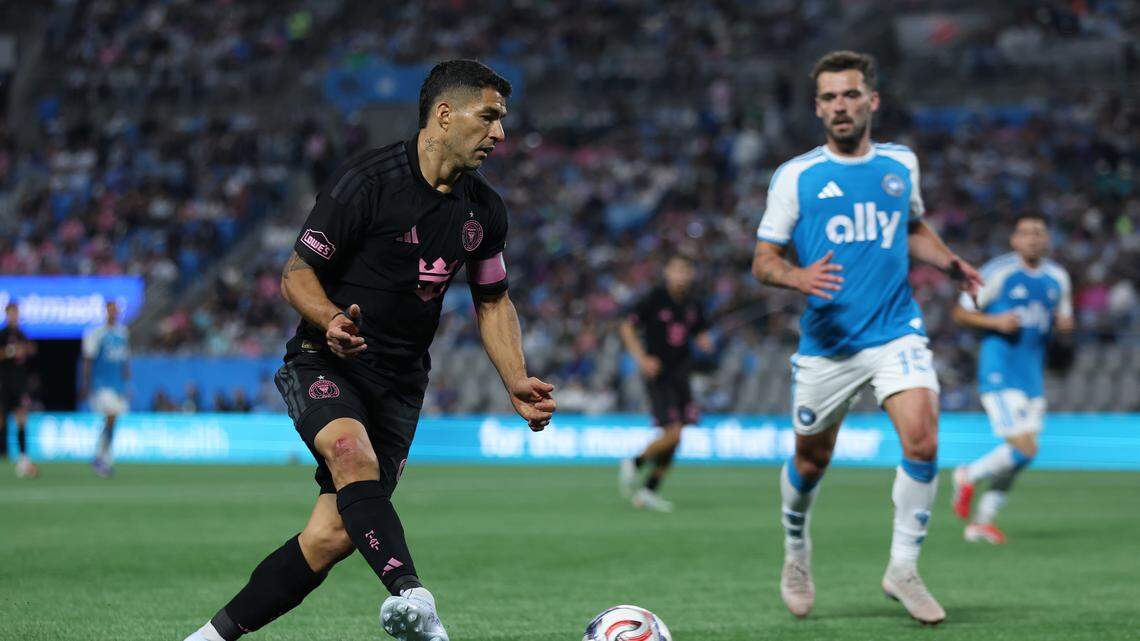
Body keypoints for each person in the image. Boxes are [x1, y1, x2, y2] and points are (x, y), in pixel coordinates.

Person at [183, 60, 556, 641]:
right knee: (351, 454)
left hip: (402, 383)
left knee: (329, 538)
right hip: (327, 360)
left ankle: (207, 639)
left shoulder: (485, 211)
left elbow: (492, 300)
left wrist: (515, 378)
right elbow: (296, 274)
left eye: (501, 121)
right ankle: (416, 601)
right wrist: (331, 318)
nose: (500, 135)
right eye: (489, 118)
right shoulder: (367, 181)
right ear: (444, 113)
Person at [751, 50, 983, 624]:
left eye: (850, 94)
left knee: (924, 441)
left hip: (894, 330)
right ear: (817, 108)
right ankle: (797, 547)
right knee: (810, 462)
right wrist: (796, 276)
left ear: (872, 100)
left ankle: (903, 567)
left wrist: (951, 264)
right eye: (829, 98)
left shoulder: (900, 164)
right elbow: (762, 261)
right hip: (828, 344)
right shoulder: (797, 176)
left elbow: (911, 226)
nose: (840, 106)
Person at [950, 214, 1073, 544]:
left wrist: (1064, 327)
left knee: (1021, 457)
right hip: (999, 371)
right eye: (1026, 233)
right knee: (1025, 449)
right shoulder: (998, 271)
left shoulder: (1058, 277)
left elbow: (1064, 320)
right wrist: (995, 322)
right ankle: (967, 475)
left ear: (1047, 240)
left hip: (1032, 374)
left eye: (1040, 233)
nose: (1034, 238)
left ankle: (982, 522)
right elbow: (960, 312)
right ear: (1014, 240)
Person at [617, 254, 713, 512]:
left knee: (676, 438)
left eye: (686, 271)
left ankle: (648, 491)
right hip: (659, 375)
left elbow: (698, 331)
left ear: (691, 274)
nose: (681, 276)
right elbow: (626, 327)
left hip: (682, 376)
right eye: (676, 270)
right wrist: (642, 358)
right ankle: (634, 461)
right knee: (674, 432)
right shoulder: (654, 298)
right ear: (667, 272)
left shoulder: (695, 304)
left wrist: (704, 340)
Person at [81, 300, 131, 478]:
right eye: (110, 310)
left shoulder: (123, 333)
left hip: (117, 384)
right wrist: (86, 384)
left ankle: (101, 455)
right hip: (101, 383)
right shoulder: (96, 334)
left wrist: (127, 381)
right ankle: (102, 457)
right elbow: (88, 359)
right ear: (105, 312)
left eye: (115, 310)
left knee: (113, 420)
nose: (113, 313)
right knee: (110, 416)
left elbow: (124, 359)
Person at [0, 301, 37, 478]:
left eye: (16, 313)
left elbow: (32, 351)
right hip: (3, 382)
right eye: (11, 313)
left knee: (22, 418)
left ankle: (23, 457)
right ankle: (4, 452)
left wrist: (26, 350)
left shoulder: (22, 334)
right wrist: (9, 352)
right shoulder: (3, 334)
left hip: (19, 384)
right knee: (2, 419)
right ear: (7, 314)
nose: (14, 316)